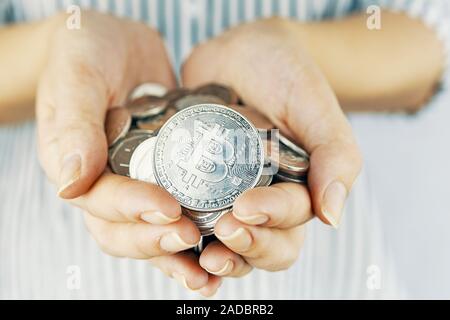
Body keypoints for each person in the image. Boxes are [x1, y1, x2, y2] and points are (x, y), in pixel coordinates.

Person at [0, 0, 447, 299]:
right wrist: (58, 48)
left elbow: (431, 31)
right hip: (59, 268)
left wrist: (305, 52)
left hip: (324, 274)